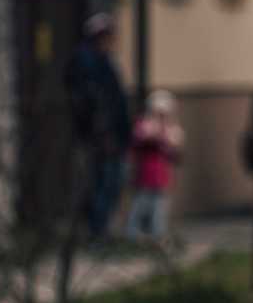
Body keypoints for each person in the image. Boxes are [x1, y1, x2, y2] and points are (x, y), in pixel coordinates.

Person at [64, 13, 131, 241]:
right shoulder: (87, 63)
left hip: (110, 136)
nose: (111, 42)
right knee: (104, 182)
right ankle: (96, 230)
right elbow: (95, 103)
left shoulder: (103, 62)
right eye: (107, 37)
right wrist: (104, 134)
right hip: (102, 137)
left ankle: (99, 228)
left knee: (110, 181)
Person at [125, 90, 182, 241]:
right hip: (146, 173)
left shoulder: (170, 128)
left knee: (160, 206)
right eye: (159, 113)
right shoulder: (145, 126)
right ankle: (133, 232)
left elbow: (174, 147)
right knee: (141, 203)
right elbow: (141, 140)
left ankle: (158, 234)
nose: (163, 117)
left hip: (161, 175)